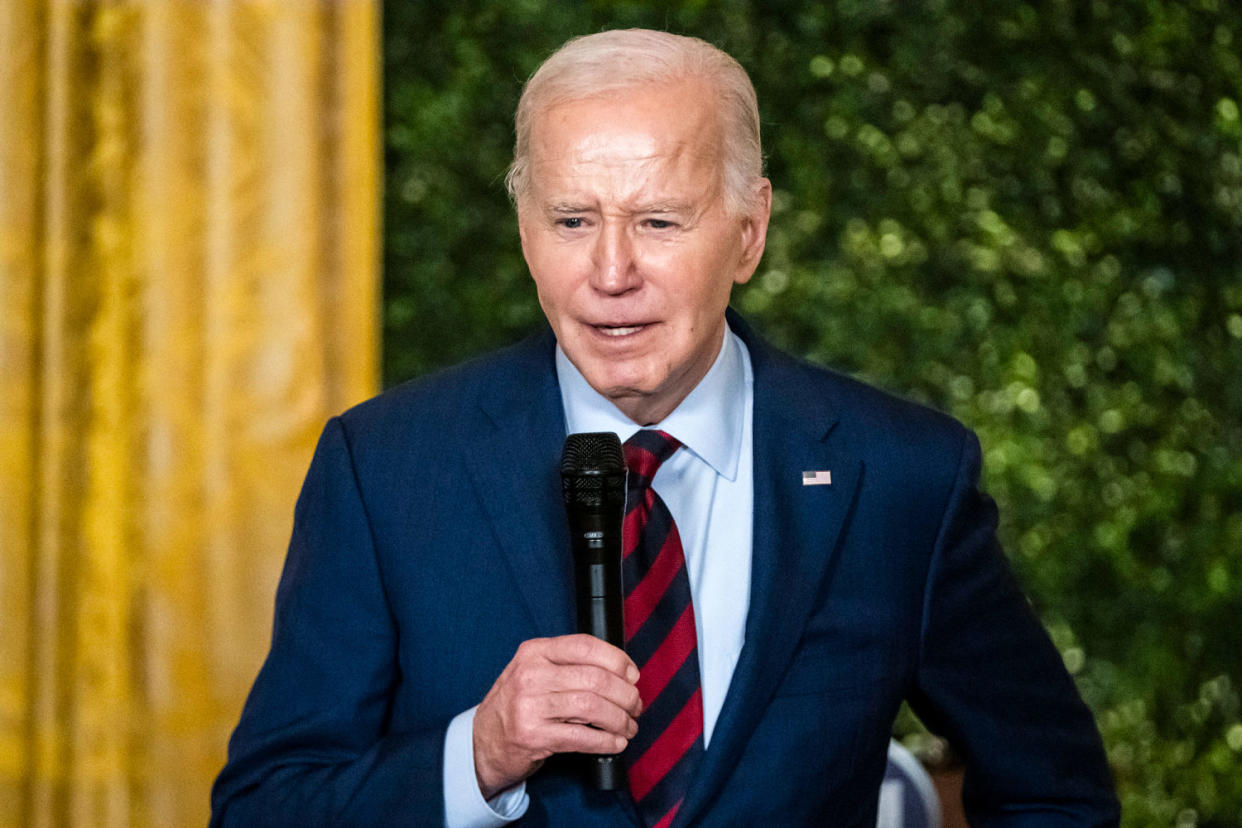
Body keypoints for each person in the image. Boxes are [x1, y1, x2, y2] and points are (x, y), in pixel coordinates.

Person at [211, 29, 1119, 827]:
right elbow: (262, 808)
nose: (611, 271)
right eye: (572, 220)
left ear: (749, 232)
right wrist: (477, 758)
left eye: (657, 220)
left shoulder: (901, 477)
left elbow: (1055, 793)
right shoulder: (384, 470)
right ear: (526, 233)